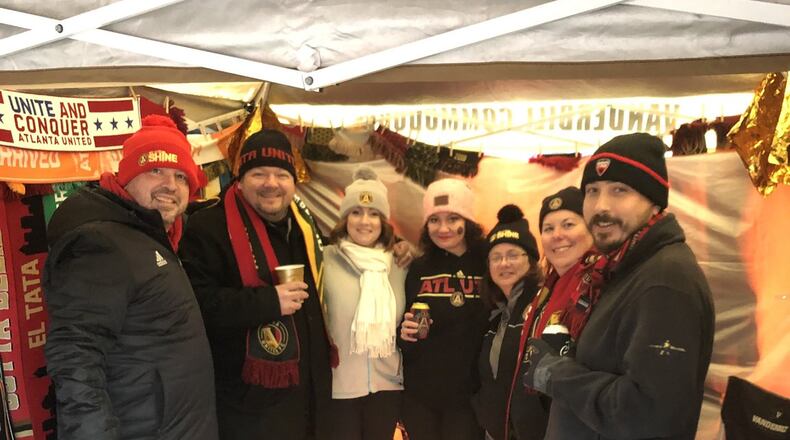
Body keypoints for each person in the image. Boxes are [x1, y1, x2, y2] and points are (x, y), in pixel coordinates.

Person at [523, 133, 715, 440]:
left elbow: (648, 414)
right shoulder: (622, 269)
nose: (601, 207)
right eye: (592, 191)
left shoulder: (665, 281)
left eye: (619, 191)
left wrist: (556, 374)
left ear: (654, 202)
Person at [43, 115, 218, 440]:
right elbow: (75, 356)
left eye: (181, 176)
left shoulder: (153, 237)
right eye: (155, 170)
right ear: (126, 177)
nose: (170, 185)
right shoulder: (102, 243)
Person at [178, 129, 334, 440]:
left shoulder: (303, 226)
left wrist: (394, 250)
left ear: (293, 181)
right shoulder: (208, 228)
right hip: (249, 407)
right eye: (259, 173)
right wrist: (268, 302)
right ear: (239, 178)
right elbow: (198, 307)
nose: (271, 184)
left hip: (310, 398)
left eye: (281, 174)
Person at [399, 178, 488, 440]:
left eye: (453, 218)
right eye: (434, 220)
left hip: (470, 396)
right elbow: (402, 329)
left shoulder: (487, 262)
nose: (443, 228)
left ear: (468, 222)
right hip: (421, 396)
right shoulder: (418, 267)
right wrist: (403, 333)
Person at [323, 167, 407, 440]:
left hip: (387, 387)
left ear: (384, 220)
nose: (364, 221)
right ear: (345, 217)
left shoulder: (400, 263)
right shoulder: (325, 259)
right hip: (339, 386)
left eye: (373, 214)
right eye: (356, 212)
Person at [471, 204, 542, 440]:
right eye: (496, 257)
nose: (504, 264)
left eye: (513, 255)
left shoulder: (541, 306)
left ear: (531, 260)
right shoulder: (494, 313)